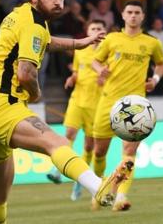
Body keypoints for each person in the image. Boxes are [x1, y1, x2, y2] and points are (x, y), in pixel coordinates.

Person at [0, 0, 128, 224]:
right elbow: (25, 73)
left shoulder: (20, 15)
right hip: (4, 106)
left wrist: (80, 43)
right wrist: (35, 93)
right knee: (57, 143)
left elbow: (47, 41)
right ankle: (97, 187)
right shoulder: (34, 23)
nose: (58, 2)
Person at [91, 1, 163, 211]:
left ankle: (120, 197)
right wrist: (100, 70)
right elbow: (95, 60)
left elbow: (161, 64)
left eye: (137, 13)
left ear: (142, 16)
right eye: (129, 12)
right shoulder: (112, 39)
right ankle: (97, 189)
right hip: (108, 102)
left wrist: (156, 79)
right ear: (123, 15)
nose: (133, 16)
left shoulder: (152, 43)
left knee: (129, 154)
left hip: (136, 107)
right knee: (99, 152)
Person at [47, 20, 107, 202]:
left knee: (89, 147)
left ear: (104, 33)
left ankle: (79, 184)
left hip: (96, 105)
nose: (96, 31)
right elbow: (76, 71)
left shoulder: (108, 53)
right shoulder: (81, 51)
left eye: (99, 29)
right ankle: (57, 171)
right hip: (77, 100)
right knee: (70, 133)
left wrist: (105, 80)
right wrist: (72, 79)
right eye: (93, 29)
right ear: (88, 32)